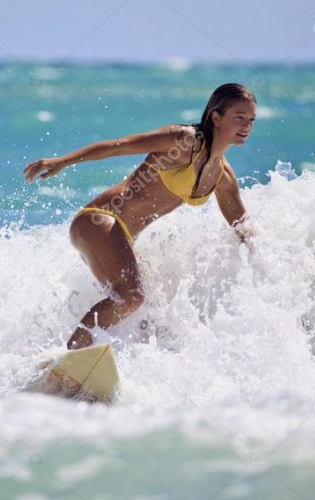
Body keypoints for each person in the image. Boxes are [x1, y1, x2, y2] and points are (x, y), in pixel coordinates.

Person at [23, 83, 256, 350]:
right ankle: (70, 357)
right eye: (239, 117)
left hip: (120, 236)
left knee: (152, 318)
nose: (246, 125)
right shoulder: (184, 141)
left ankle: (83, 368)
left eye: (251, 119)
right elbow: (117, 147)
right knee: (131, 296)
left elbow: (243, 228)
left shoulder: (223, 177)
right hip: (99, 220)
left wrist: (268, 264)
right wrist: (62, 161)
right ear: (216, 117)